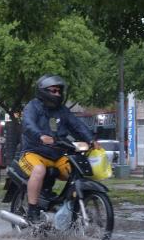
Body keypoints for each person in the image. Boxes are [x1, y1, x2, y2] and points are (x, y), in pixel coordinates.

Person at [19, 75, 97, 223]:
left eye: (59, 91)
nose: (57, 94)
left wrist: (90, 139)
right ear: (43, 91)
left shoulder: (62, 110)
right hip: (34, 152)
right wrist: (40, 135)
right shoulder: (32, 106)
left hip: (57, 155)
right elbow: (28, 124)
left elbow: (76, 125)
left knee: (77, 170)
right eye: (53, 91)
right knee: (39, 170)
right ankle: (32, 210)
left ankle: (69, 206)